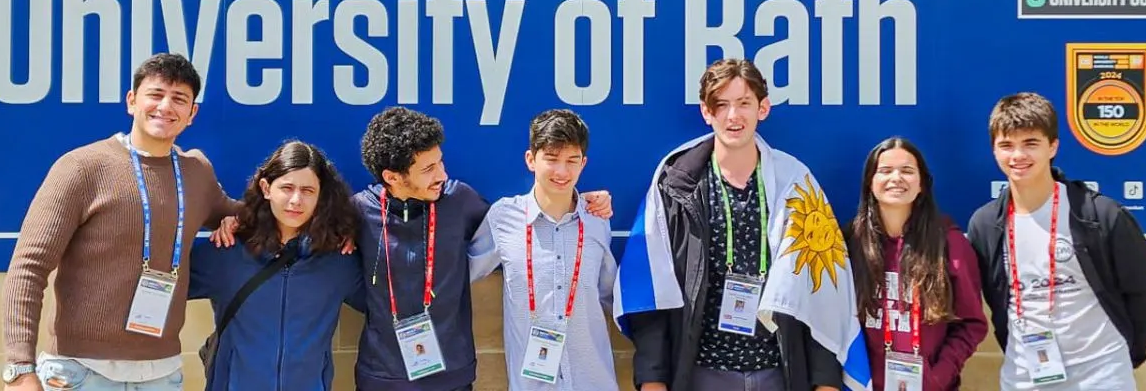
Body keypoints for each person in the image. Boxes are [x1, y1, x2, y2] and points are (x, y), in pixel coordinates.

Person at [0, 53, 246, 390]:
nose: (165, 106)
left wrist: (234, 220)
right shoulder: (82, 167)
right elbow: (29, 268)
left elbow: (241, 213)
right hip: (80, 373)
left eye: (179, 99)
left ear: (192, 114)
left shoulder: (196, 172)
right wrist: (19, 368)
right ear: (132, 101)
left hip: (161, 375)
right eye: (155, 94)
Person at [614, 58, 857, 391]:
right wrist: (653, 380)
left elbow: (821, 290)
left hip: (778, 373)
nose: (733, 116)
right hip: (701, 374)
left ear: (764, 107)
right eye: (722, 105)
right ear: (706, 112)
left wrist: (825, 382)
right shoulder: (673, 186)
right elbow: (652, 292)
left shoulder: (797, 187)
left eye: (744, 103)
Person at [349, 106, 614, 391]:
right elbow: (328, 262)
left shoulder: (460, 200)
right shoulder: (359, 212)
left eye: (440, 162)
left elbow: (609, 290)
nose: (442, 174)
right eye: (429, 169)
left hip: (456, 376)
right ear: (392, 177)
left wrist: (582, 202)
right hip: (382, 376)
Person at [965, 92, 1146, 390]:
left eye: (1030, 143)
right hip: (1025, 376)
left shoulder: (1099, 214)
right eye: (1006, 145)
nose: (1018, 156)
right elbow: (996, 302)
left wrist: (1124, 352)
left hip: (1101, 374)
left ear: (1053, 147)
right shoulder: (985, 224)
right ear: (994, 151)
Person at [185, 140, 362, 391]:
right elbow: (164, 282)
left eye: (308, 190)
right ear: (266, 188)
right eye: (287, 188)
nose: (296, 200)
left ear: (321, 194)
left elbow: (388, 304)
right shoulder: (226, 253)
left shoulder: (338, 261)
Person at [468, 109, 620, 390]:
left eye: (571, 160)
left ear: (583, 163)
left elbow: (612, 296)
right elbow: (459, 275)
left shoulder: (598, 220)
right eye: (551, 159)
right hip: (531, 384)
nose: (562, 172)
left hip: (593, 381)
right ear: (531, 160)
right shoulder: (503, 218)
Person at [846, 137, 988, 391]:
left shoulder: (950, 244)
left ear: (922, 183)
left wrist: (937, 377)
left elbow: (971, 324)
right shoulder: (849, 244)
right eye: (885, 171)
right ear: (870, 182)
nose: (896, 178)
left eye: (907, 171)